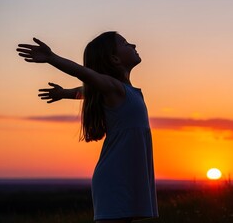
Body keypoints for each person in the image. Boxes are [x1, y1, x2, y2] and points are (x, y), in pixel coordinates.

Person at [16, 32, 158, 223]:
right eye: (125, 43)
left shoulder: (123, 91)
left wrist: (65, 93)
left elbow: (88, 90)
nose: (133, 44)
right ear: (114, 59)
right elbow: (85, 74)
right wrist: (51, 58)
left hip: (126, 177)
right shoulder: (113, 88)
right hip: (115, 178)